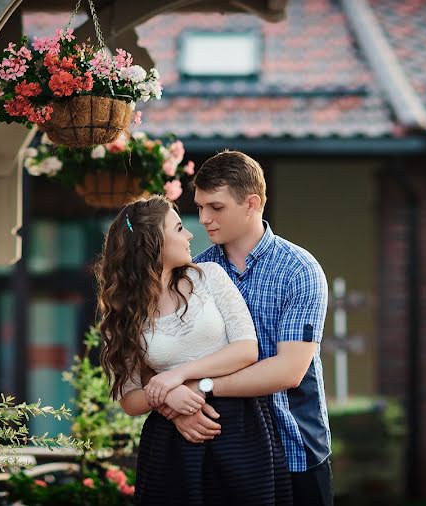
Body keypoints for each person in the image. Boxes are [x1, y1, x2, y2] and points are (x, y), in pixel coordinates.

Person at [95, 195, 291, 505]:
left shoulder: (210, 276)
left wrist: (178, 378)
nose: (189, 235)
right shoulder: (121, 316)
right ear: (154, 243)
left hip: (240, 425)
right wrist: (166, 398)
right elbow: (130, 399)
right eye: (178, 228)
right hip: (172, 438)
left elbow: (245, 349)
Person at [172, 150, 333, 506]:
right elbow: (173, 357)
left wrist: (202, 387)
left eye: (216, 207)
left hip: (294, 449)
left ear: (251, 203)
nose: (204, 219)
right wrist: (176, 404)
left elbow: (289, 371)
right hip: (220, 448)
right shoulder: (195, 274)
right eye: (199, 208)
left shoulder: (299, 270)